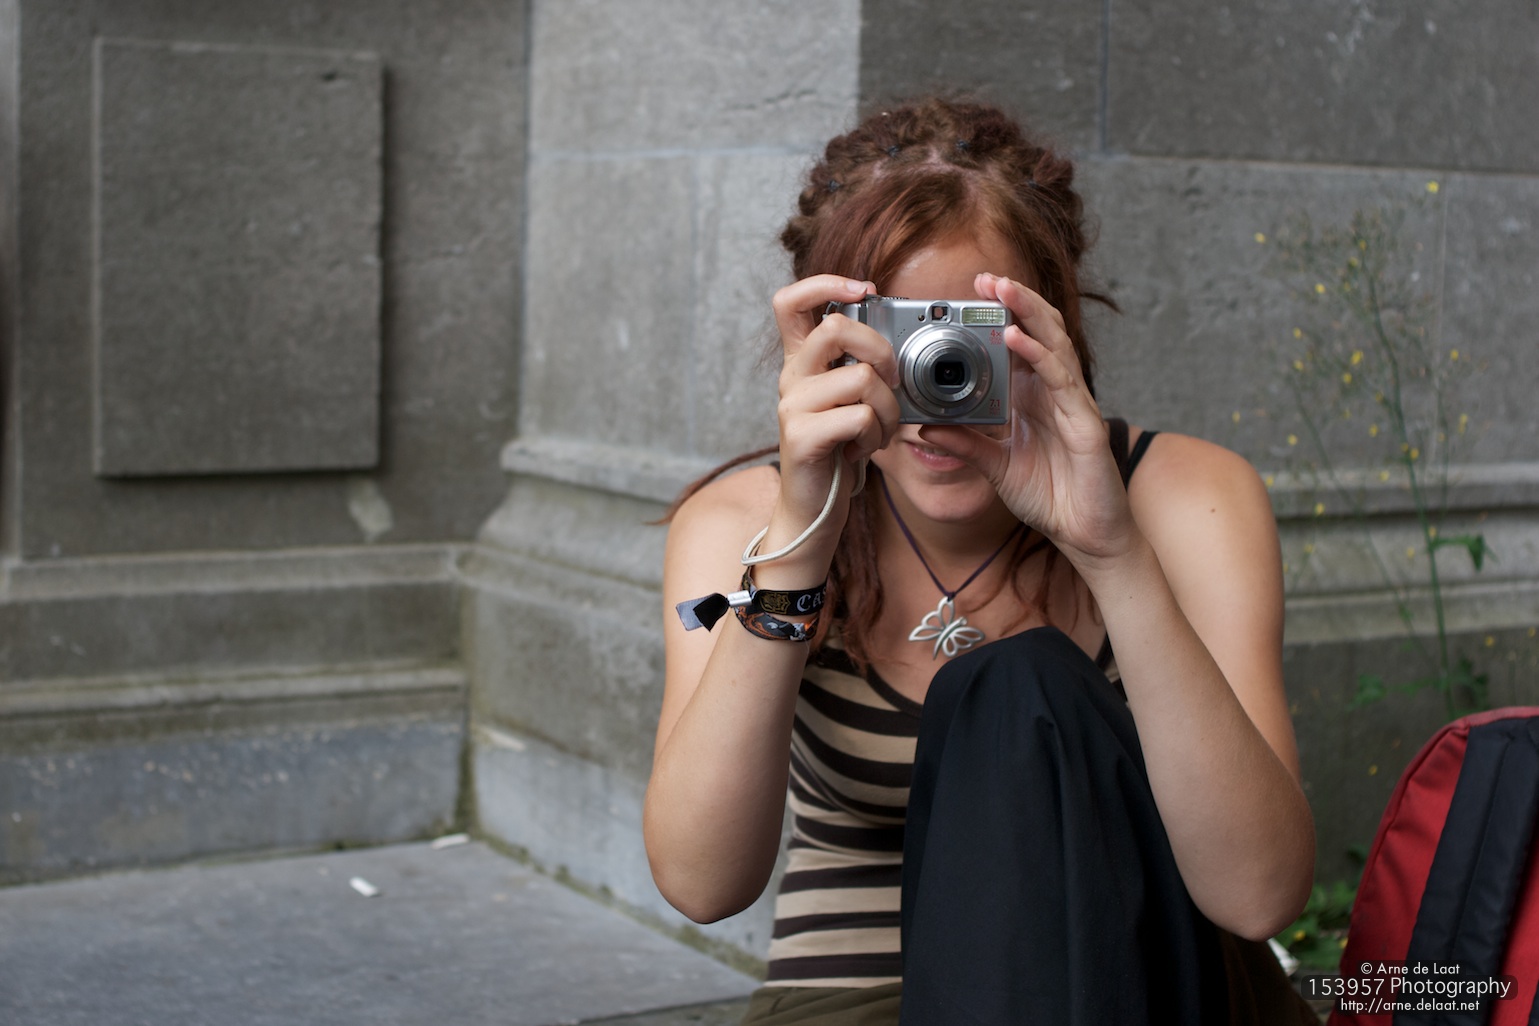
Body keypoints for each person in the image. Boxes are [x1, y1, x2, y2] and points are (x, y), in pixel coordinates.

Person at [643, 98, 1316, 1025]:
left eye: (966, 339)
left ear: (1052, 329)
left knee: (1020, 688)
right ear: (822, 342)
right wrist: (802, 538)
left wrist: (1111, 553)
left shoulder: (1183, 498)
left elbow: (1258, 895)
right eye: (894, 340)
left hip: (1141, 980)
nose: (935, 386)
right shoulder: (748, 524)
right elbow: (699, 881)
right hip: (862, 995)